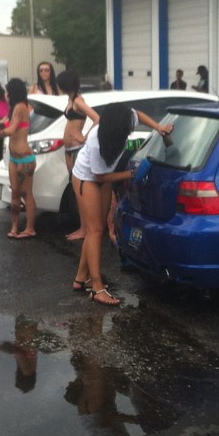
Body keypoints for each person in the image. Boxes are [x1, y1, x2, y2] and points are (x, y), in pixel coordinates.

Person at [71, 102, 172, 307]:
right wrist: (131, 174)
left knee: (94, 231)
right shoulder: (96, 141)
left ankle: (81, 278)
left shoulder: (123, 118)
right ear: (118, 127)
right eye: (128, 126)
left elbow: (140, 114)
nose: (131, 127)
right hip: (87, 179)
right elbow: (101, 175)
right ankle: (97, 288)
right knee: (97, 230)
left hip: (103, 178)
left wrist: (158, 127)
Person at [56, 69, 99, 241]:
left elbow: (97, 118)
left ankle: (85, 228)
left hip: (76, 147)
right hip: (69, 149)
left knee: (80, 189)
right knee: (75, 188)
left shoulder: (79, 101)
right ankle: (82, 227)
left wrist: (85, 137)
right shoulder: (70, 99)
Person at [0, 78, 37, 239]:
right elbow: (9, 126)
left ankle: (30, 228)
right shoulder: (15, 108)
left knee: (27, 194)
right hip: (14, 159)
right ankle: (14, 227)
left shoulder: (20, 107)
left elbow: (11, 130)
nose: (6, 94)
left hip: (25, 159)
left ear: (13, 92)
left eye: (7, 91)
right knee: (15, 193)